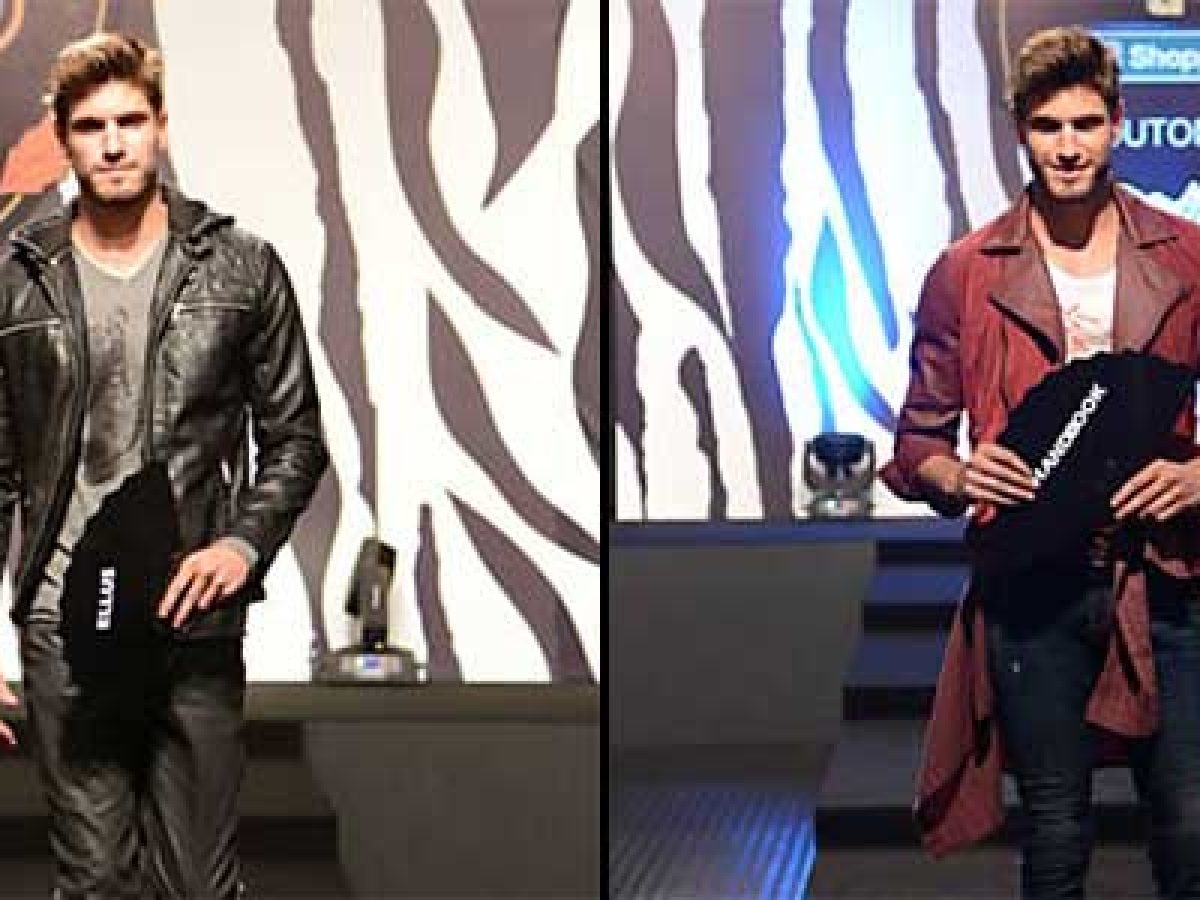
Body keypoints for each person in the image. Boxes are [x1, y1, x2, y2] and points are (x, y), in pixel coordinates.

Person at [0, 32, 329, 898]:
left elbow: (296, 437)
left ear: (161, 127)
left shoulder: (241, 266)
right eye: (90, 126)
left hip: (192, 614)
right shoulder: (18, 280)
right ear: (63, 141)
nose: (113, 143)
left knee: (198, 885)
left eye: (130, 121)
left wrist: (242, 547)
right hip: (62, 620)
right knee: (95, 880)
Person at [883, 25, 1200, 899]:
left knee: (1188, 823)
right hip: (1033, 578)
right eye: (1048, 125)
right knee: (1056, 830)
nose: (1067, 147)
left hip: (1166, 572)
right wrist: (959, 475)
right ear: (1021, 129)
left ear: (1118, 123)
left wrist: (1197, 475)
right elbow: (918, 441)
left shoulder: (1186, 255)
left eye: (1086, 124)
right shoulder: (966, 271)